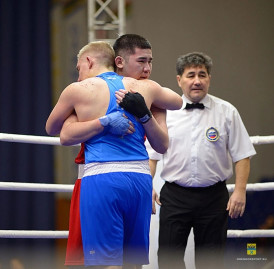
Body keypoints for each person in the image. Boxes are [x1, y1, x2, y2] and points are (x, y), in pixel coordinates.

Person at [46, 41, 182, 269]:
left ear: (88, 61)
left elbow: (52, 129)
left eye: (79, 68)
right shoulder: (145, 87)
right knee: (133, 263)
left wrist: (100, 121)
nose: (79, 75)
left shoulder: (78, 90)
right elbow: (178, 101)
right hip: (140, 180)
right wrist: (146, 109)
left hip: (103, 178)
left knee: (106, 263)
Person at [139, 52, 257, 269]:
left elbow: (242, 155)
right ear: (179, 80)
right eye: (191, 75)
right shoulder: (165, 113)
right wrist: (148, 184)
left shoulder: (227, 111)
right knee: (168, 260)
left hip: (214, 197)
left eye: (202, 75)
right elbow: (151, 157)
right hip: (174, 196)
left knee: (211, 262)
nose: (197, 81)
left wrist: (240, 191)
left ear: (209, 79)